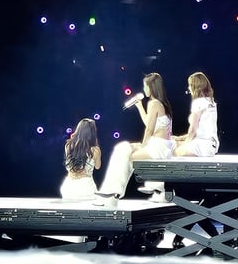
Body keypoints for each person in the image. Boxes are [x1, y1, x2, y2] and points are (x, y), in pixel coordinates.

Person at [93, 72, 175, 206]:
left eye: (145, 86)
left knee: (125, 156)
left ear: (152, 87)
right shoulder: (161, 103)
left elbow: (149, 130)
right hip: (159, 144)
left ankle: (113, 192)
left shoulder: (154, 103)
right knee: (122, 148)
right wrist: (140, 106)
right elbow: (149, 123)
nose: (144, 89)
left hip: (158, 147)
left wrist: (143, 145)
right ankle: (112, 191)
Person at [173, 72, 219, 157]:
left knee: (174, 150)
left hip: (203, 145)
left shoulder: (198, 103)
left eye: (190, 85)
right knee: (175, 143)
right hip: (211, 144)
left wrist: (184, 145)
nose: (189, 88)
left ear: (195, 87)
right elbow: (201, 131)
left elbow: (193, 131)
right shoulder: (211, 102)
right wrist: (180, 138)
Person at [60, 118, 102, 201]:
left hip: (69, 188)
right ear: (92, 133)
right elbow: (98, 166)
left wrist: (73, 139)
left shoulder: (68, 146)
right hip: (86, 188)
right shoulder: (95, 150)